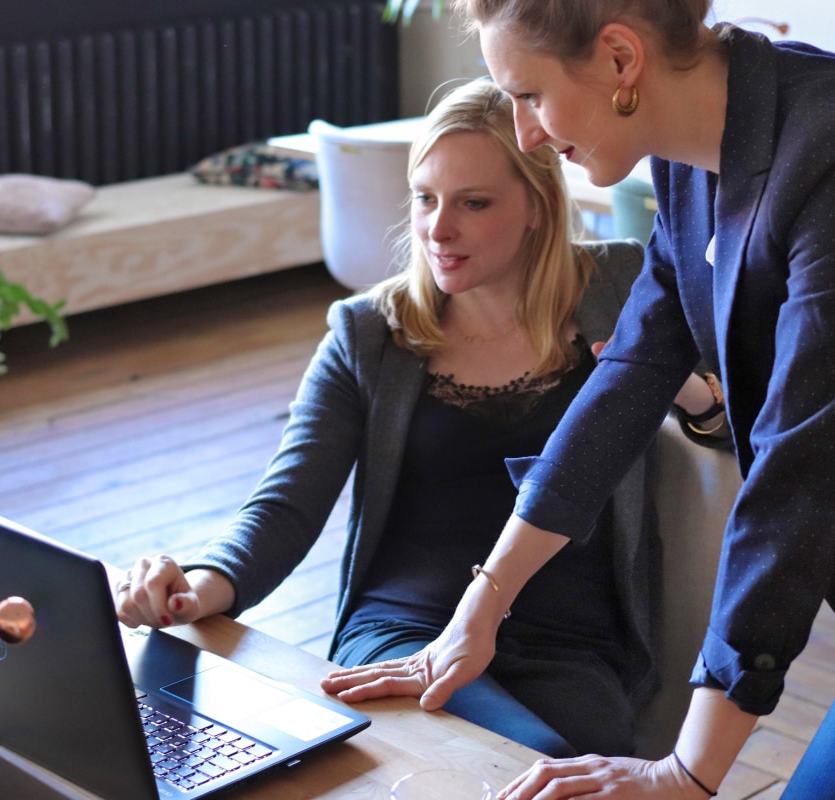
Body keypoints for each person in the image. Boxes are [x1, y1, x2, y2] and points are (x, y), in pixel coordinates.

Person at [319, 2, 835, 798]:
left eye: (531, 95)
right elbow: (633, 371)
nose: (525, 134)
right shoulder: (696, 154)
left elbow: (803, 473)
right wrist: (482, 607)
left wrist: (686, 773)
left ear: (620, 59)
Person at [115, 77, 723, 758]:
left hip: (571, 645)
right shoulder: (370, 333)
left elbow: (734, 431)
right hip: (404, 631)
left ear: (537, 206)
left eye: (473, 203)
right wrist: (200, 587)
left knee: (562, 758)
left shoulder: (621, 289)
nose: (438, 228)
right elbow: (286, 503)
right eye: (426, 199)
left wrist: (687, 393)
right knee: (528, 759)